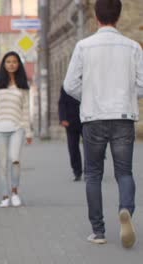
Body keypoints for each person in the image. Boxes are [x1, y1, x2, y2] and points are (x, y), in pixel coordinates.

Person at [64, 0, 143, 248]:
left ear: (96, 17)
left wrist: (88, 97)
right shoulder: (132, 47)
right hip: (123, 117)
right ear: (118, 17)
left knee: (94, 176)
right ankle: (125, 209)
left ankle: (98, 232)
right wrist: (129, 96)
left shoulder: (83, 46)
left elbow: (69, 85)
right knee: (124, 172)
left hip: (93, 118)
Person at [0, 51, 32, 208]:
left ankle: (15, 192)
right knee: (2, 163)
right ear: (4, 64)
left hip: (17, 127)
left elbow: (25, 110)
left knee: (15, 159)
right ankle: (4, 195)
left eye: (14, 62)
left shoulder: (23, 86)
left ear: (18, 64)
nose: (11, 64)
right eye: (8, 61)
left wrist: (29, 132)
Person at [58, 85, 83, 181]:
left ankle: (90, 170)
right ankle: (77, 172)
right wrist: (62, 118)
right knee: (73, 148)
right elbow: (61, 103)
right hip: (70, 121)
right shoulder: (66, 85)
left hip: (86, 119)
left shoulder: (87, 81)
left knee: (90, 147)